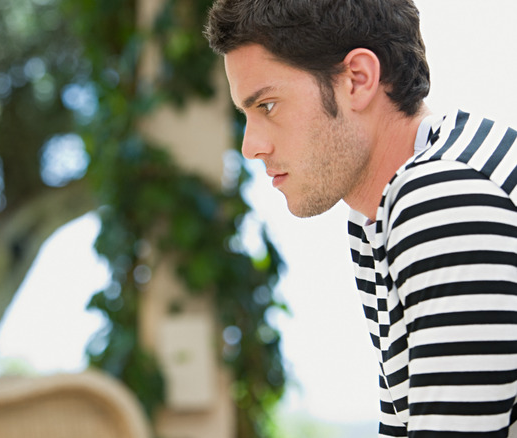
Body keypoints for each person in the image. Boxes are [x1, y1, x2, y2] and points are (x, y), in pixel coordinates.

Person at [204, 0, 517, 436]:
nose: (250, 146)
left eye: (268, 106)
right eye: (246, 114)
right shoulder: (377, 211)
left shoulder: (444, 195)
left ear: (358, 80)